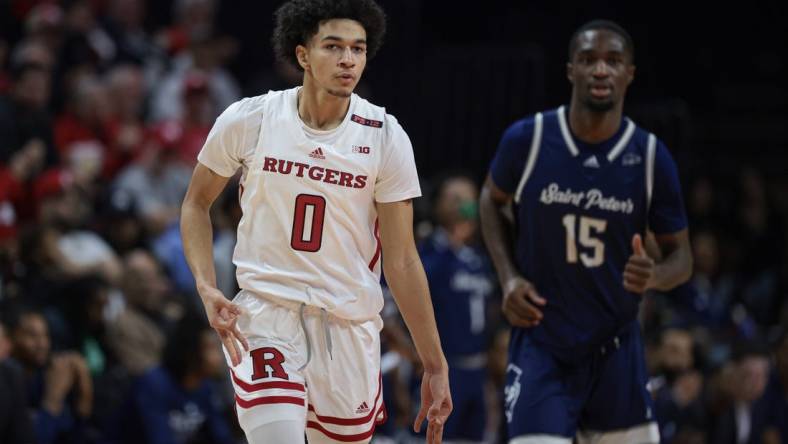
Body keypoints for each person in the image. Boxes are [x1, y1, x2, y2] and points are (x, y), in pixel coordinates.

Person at [179, 1, 452, 443]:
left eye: (358, 49)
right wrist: (206, 286)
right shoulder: (251, 118)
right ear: (303, 54)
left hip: (348, 325)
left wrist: (434, 363)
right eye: (334, 47)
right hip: (268, 313)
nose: (348, 60)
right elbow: (195, 204)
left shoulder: (384, 136)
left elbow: (401, 260)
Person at [479, 20, 692, 444]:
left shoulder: (650, 156)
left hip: (616, 348)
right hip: (543, 340)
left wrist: (655, 276)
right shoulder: (530, 139)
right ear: (570, 70)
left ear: (629, 73)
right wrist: (509, 277)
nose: (600, 70)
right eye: (588, 60)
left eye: (613, 61)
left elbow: (681, 256)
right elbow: (491, 200)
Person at [419, 173, 495, 442]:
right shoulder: (428, 253)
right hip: (442, 370)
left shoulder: (480, 259)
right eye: (455, 199)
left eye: (469, 200)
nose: (464, 206)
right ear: (438, 205)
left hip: (478, 370)